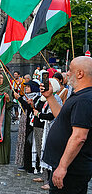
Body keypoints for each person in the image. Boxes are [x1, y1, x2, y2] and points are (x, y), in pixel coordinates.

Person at [41, 56, 92, 193]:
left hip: (71, 170)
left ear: (80, 73)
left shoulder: (84, 100)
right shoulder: (79, 96)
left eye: (70, 70)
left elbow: (79, 137)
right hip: (67, 167)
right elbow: (60, 116)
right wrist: (50, 97)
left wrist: (63, 167)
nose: (67, 73)